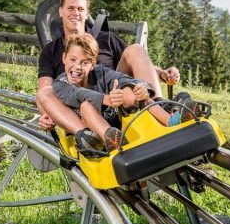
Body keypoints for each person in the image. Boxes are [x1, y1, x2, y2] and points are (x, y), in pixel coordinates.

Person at [36, 0, 181, 132]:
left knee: (135, 49)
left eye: (80, 9)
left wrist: (162, 73)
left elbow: (137, 62)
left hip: (119, 99)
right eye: (70, 8)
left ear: (87, 14)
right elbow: (45, 89)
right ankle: (86, 135)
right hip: (81, 108)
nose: (75, 13)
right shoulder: (51, 51)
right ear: (61, 11)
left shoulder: (106, 39)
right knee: (47, 93)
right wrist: (45, 114)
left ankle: (160, 109)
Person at [53, 33, 193, 157]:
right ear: (64, 58)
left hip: (117, 119)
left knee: (130, 90)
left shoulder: (100, 72)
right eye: (73, 60)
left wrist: (141, 87)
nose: (77, 66)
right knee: (85, 106)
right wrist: (105, 99)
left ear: (93, 65)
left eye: (85, 63)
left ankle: (171, 121)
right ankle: (113, 140)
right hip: (94, 130)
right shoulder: (60, 84)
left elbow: (121, 78)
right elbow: (78, 94)